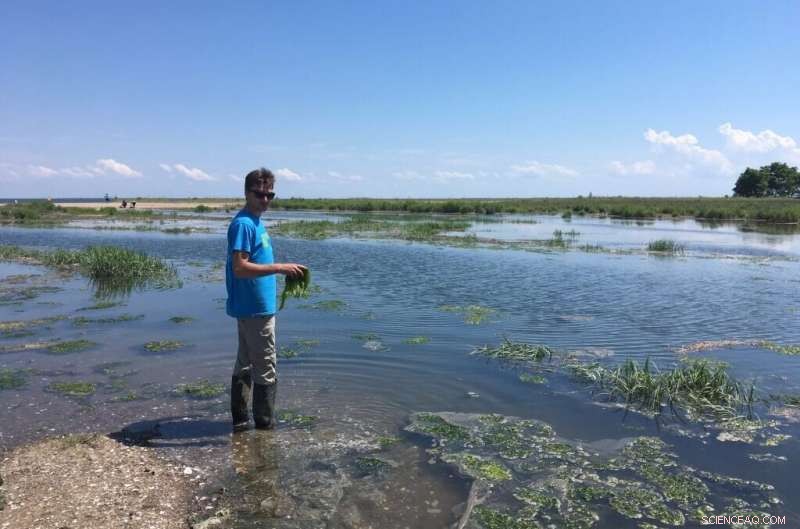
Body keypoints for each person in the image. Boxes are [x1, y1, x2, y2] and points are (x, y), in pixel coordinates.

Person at [226, 168, 306, 431]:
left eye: (270, 194)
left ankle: (240, 423)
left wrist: (282, 270)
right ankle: (265, 427)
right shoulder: (244, 224)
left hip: (255, 307)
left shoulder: (255, 222)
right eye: (259, 194)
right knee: (266, 367)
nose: (265, 199)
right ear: (247, 193)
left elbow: (252, 263)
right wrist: (280, 268)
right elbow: (240, 267)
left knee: (245, 363)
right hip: (254, 309)